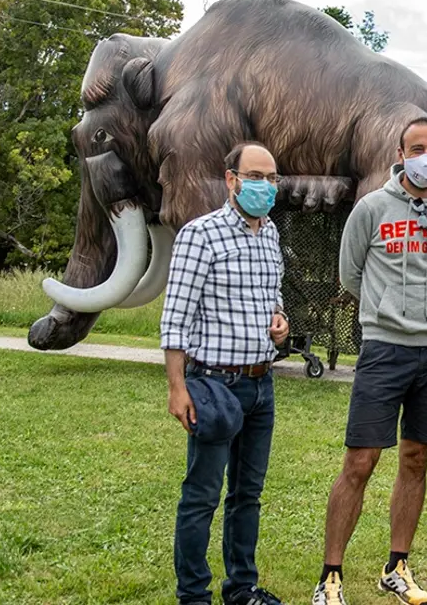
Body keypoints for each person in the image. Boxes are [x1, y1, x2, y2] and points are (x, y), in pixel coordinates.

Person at [312, 115, 427, 605]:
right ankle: (330, 577)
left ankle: (397, 566)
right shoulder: (371, 208)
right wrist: (387, 312)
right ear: (399, 155)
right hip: (383, 350)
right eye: (417, 147)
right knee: (360, 461)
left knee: (415, 460)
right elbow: (350, 274)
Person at [161, 141, 291, 605]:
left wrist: (280, 322)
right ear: (231, 179)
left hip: (261, 384)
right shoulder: (201, 235)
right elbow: (175, 317)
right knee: (202, 495)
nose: (265, 186)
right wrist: (178, 388)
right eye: (255, 177)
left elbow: (271, 295)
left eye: (272, 178)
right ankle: (193, 595)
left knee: (248, 495)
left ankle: (241, 588)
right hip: (213, 384)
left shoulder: (272, 233)